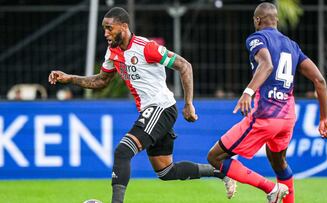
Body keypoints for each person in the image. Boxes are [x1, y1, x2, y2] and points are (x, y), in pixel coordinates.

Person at [48, 7, 236, 203]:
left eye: (109, 28)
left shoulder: (147, 47)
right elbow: (101, 81)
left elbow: (184, 65)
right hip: (152, 110)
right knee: (166, 171)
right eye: (104, 29)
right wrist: (69, 78)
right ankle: (221, 171)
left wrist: (189, 103)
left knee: (123, 151)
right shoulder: (113, 52)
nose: (105, 33)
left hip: (161, 107)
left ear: (124, 26)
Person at [207, 2, 327, 203]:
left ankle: (271, 189)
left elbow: (266, 64)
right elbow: (320, 80)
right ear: (277, 20)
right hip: (288, 117)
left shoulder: (257, 38)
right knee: (279, 163)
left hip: (265, 115)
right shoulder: (292, 45)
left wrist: (248, 91)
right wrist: (324, 118)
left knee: (215, 157)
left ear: (257, 20)